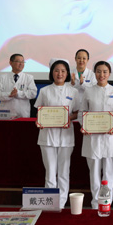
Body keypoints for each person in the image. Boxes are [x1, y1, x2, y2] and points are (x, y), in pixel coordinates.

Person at [79, 60, 113, 209]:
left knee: (109, 172)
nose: (101, 75)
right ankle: (95, 203)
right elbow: (81, 112)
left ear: (109, 73)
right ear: (94, 73)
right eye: (98, 71)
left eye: (105, 72)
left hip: (110, 137)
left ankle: (107, 202)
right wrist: (84, 125)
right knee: (94, 171)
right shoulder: (88, 91)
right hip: (92, 137)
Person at [34, 59, 78, 208]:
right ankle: (50, 203)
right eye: (56, 71)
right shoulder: (44, 91)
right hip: (47, 136)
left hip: (66, 136)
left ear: (67, 74)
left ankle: (62, 203)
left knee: (64, 171)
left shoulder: (73, 92)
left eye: (63, 71)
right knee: (50, 171)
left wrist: (68, 117)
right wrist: (39, 120)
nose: (60, 74)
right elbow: (39, 111)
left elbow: (77, 112)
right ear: (52, 73)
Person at [0, 53, 37, 118]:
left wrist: (18, 93)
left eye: (23, 62)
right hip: (5, 113)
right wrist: (10, 94)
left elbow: (33, 93)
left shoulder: (29, 77)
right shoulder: (3, 77)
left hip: (22, 113)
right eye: (18, 61)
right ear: (11, 63)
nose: (21, 64)